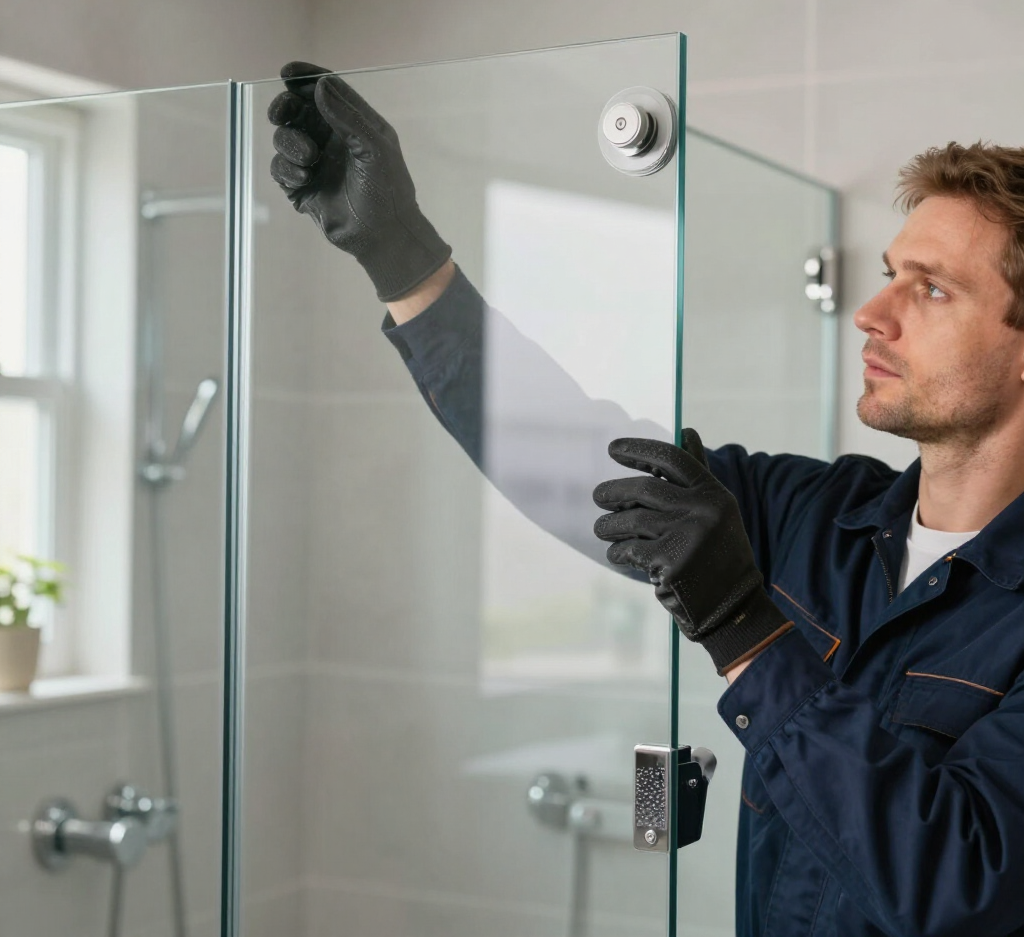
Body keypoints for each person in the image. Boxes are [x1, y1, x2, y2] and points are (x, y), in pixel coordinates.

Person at [268, 62, 1024, 937]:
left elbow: (958, 880)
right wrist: (400, 251)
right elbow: (563, 458)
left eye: (930, 288)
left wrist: (746, 630)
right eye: (892, 272)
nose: (871, 311)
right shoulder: (809, 513)